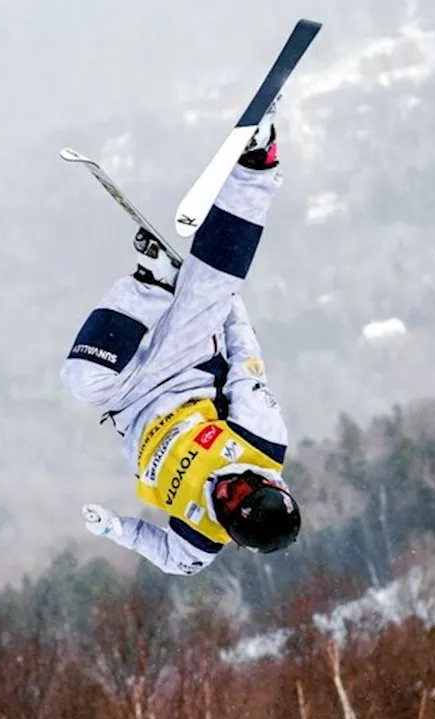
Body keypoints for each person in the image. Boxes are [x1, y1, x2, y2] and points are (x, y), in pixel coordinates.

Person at [60, 114, 299, 577]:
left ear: (230, 530)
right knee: (209, 289)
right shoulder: (263, 441)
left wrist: (117, 531)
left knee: (82, 379)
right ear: (267, 484)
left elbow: (169, 558)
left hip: (130, 406)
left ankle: (152, 282)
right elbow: (246, 362)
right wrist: (223, 304)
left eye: (228, 505)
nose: (227, 490)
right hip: (185, 372)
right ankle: (257, 166)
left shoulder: (199, 541)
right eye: (243, 489)